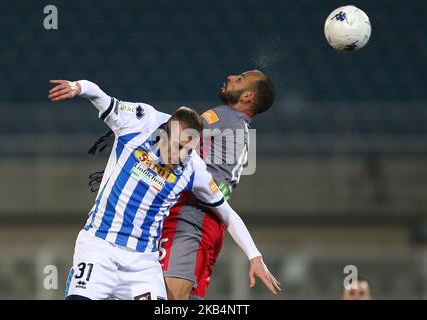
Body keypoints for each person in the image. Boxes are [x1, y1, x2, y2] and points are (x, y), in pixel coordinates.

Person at [48, 79, 280, 300]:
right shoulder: (138, 125)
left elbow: (226, 212)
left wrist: (255, 256)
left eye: (189, 150)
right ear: (164, 133)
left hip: (143, 264)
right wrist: (77, 87)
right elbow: (99, 95)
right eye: (179, 146)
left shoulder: (193, 169)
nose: (181, 156)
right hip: (100, 247)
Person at [160, 70, 276, 299]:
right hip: (211, 224)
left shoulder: (223, 116)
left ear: (248, 97)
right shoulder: (242, 131)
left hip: (189, 218)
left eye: (240, 79)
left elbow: (174, 139)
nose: (232, 77)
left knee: (166, 297)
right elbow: (219, 187)